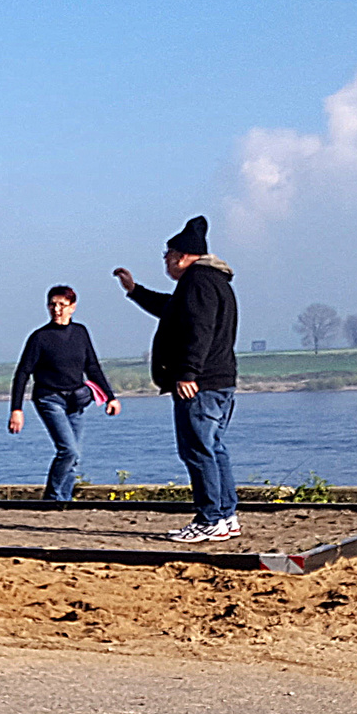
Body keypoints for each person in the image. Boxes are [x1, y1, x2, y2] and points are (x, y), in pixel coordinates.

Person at [112, 215, 240, 543]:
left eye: (167, 256)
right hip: (219, 380)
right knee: (213, 448)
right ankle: (226, 516)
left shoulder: (197, 282)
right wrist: (135, 291)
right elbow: (172, 309)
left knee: (197, 450)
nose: (166, 263)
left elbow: (199, 330)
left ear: (181, 256)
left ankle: (210, 518)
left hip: (200, 384)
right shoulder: (213, 280)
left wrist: (187, 373)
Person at [7, 285, 120, 501]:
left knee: (75, 457)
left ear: (72, 307)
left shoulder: (80, 332)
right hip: (49, 399)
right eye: (52, 304)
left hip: (76, 400)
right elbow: (22, 373)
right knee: (68, 451)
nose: (56, 309)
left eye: (62, 305)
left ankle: (64, 501)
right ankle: (52, 498)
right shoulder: (39, 338)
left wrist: (110, 397)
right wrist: (16, 409)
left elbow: (93, 367)